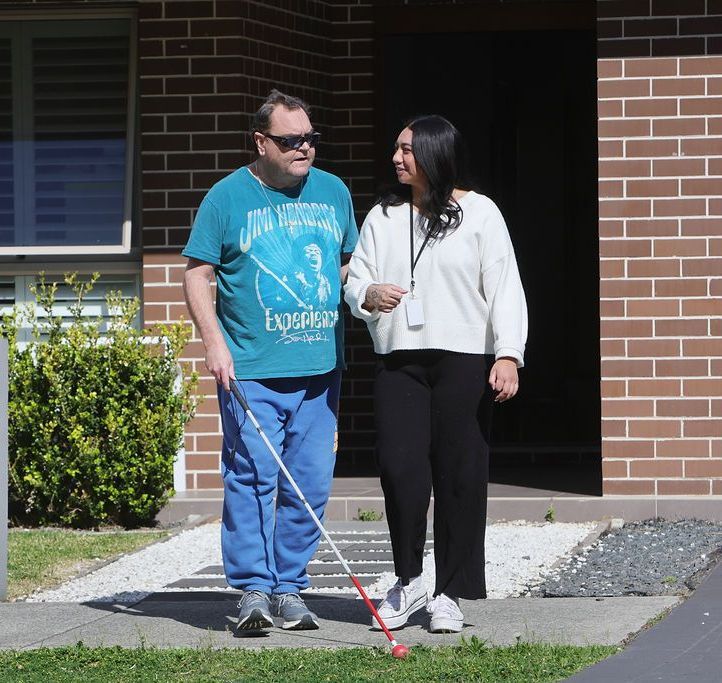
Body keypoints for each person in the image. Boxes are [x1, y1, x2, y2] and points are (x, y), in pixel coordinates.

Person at [182, 89, 358, 633]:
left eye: (310, 138)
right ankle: (254, 590)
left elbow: (348, 265)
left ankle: (290, 588)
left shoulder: (333, 192)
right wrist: (213, 342)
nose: (304, 148)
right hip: (251, 369)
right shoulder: (227, 197)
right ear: (261, 142)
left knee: (309, 482)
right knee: (253, 477)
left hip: (319, 369)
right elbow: (195, 274)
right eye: (290, 140)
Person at [344, 115, 527, 633]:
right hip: (400, 360)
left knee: (460, 476)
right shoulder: (382, 215)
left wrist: (508, 354)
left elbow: (504, 287)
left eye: (407, 149)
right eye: (396, 148)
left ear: (434, 153)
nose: (396, 158)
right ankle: (408, 581)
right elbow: (357, 279)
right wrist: (366, 296)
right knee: (401, 471)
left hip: (464, 361)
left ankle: (450, 591)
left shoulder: (480, 213)